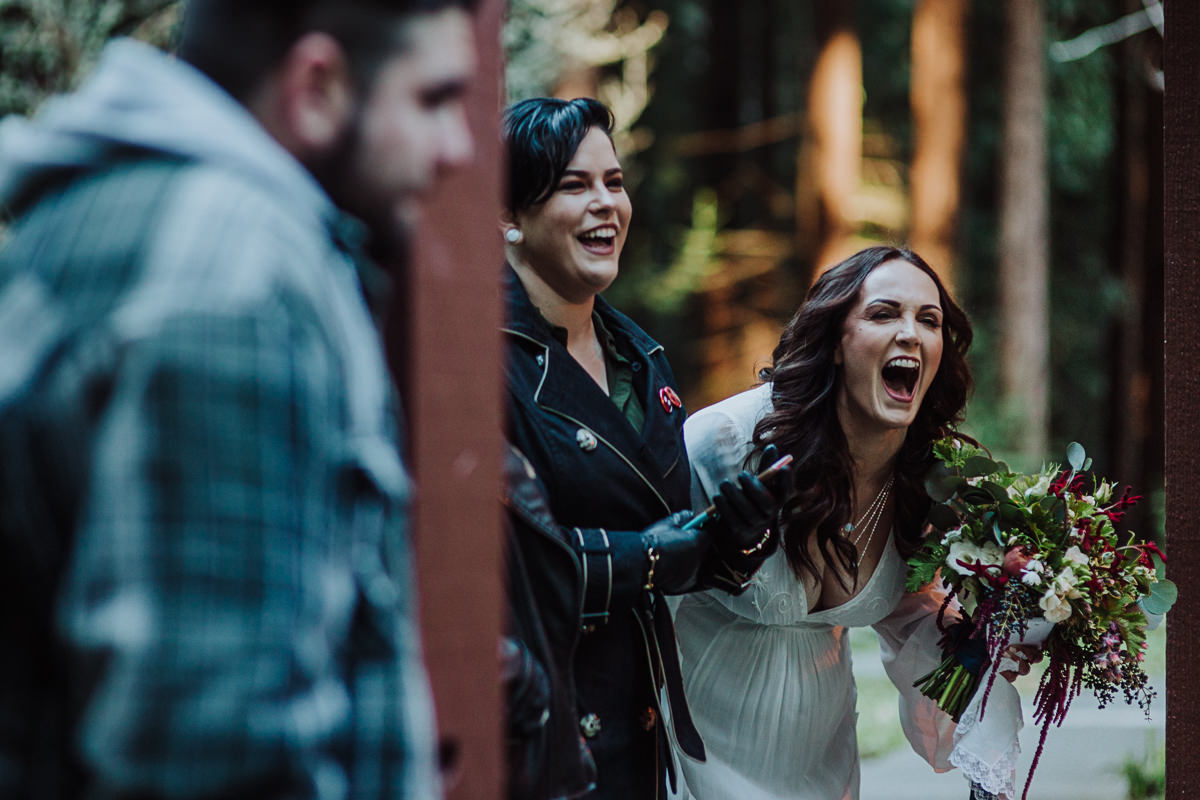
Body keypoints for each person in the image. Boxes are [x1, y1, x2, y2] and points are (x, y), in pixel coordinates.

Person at [0, 1, 476, 797]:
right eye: (433, 100)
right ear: (317, 87)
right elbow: (212, 759)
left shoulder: (106, 213)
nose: (460, 147)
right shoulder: (234, 278)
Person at [498, 97, 786, 800]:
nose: (606, 205)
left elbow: (672, 536)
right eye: (574, 185)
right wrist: (656, 557)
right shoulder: (483, 364)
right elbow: (506, 567)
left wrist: (734, 539)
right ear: (507, 215)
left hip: (642, 720)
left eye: (615, 182)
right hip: (540, 726)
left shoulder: (642, 357)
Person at [668, 246, 1026, 800]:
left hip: (822, 770)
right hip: (690, 759)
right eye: (884, 314)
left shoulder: (924, 482)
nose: (910, 333)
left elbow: (912, 615)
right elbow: (644, 599)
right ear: (835, 341)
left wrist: (995, 634)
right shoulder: (725, 444)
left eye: (928, 321)